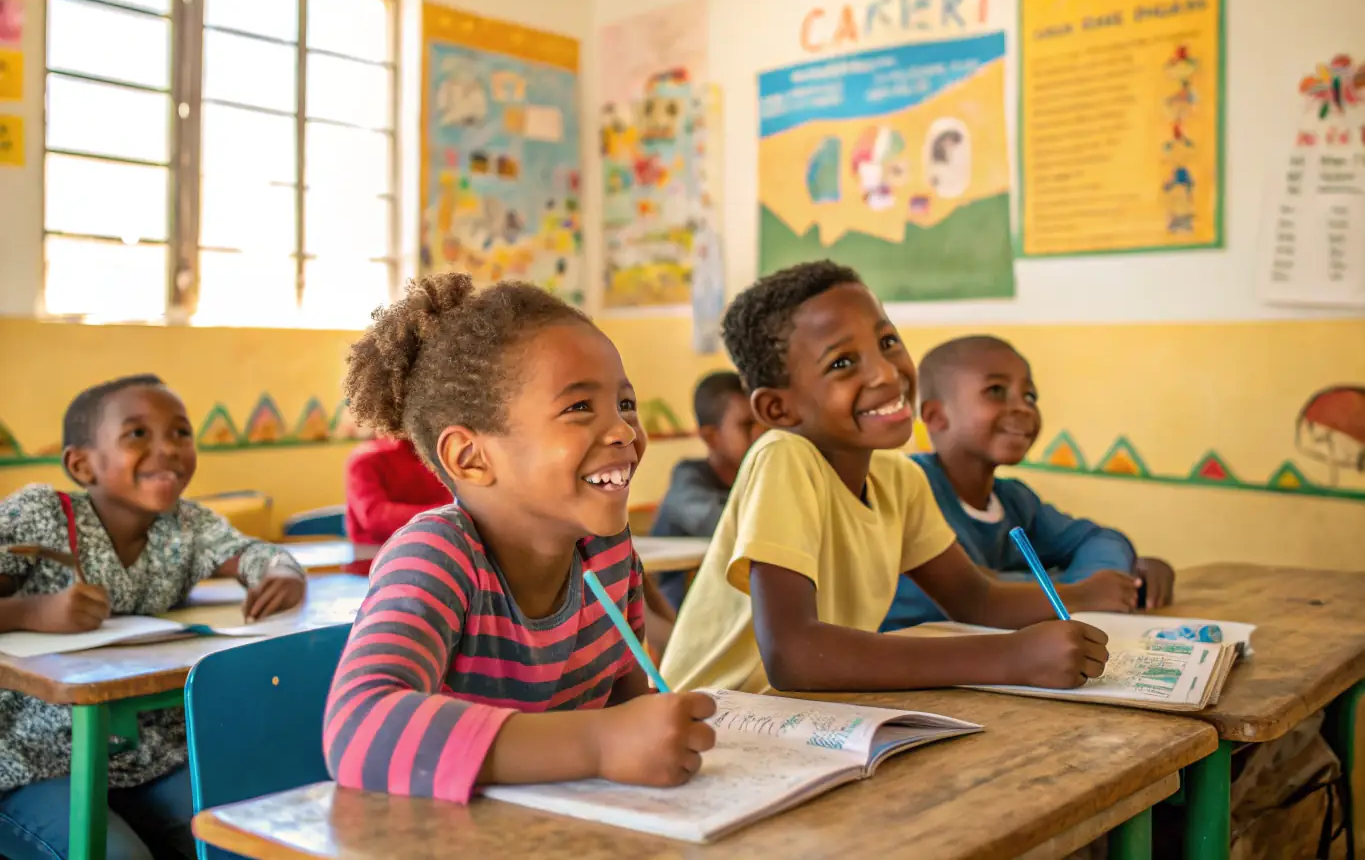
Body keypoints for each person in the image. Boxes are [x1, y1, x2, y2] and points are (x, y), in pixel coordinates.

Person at [323, 274, 716, 803]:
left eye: (625, 404)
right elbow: (358, 732)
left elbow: (627, 706)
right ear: (470, 457)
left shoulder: (607, 551)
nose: (624, 430)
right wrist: (599, 745)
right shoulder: (438, 557)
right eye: (579, 408)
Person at [660, 261, 1131, 696]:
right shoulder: (784, 457)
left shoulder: (900, 478)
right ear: (779, 408)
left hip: (809, 721)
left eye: (887, 343)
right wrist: (1012, 656)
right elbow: (794, 656)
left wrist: (1088, 594)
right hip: (719, 724)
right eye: (843, 363)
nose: (887, 373)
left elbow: (975, 599)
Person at [0, 374, 307, 860]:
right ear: (82, 464)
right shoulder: (41, 514)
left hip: (148, 755)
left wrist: (283, 572)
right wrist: (32, 611)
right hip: (28, 759)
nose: (167, 449)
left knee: (241, 836)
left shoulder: (188, 525)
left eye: (180, 433)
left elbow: (260, 554)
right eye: (137, 434)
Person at [882, 336, 1176, 631]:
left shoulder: (1016, 501)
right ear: (936, 416)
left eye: (1030, 396)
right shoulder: (908, 489)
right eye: (996, 391)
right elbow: (962, 599)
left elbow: (1102, 539)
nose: (1023, 408)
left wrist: (1108, 585)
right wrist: (1078, 593)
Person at [649, 371, 763, 610]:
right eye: (747, 425)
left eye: (763, 423)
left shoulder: (756, 479)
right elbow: (725, 525)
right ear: (711, 437)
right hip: (678, 617)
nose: (761, 434)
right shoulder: (687, 483)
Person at [343, 436, 449, 575]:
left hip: (437, 559)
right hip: (375, 567)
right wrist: (443, 514)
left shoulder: (442, 456)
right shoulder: (367, 458)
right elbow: (375, 517)